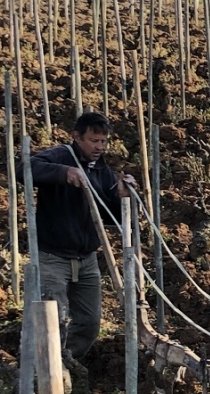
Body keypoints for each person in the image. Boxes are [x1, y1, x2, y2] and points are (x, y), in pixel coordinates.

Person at [30, 112, 137, 372]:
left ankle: (65, 363)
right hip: (52, 257)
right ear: (76, 137)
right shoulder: (57, 157)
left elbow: (110, 215)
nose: (99, 147)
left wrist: (124, 196)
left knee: (89, 323)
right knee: (53, 321)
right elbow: (25, 168)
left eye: (103, 141)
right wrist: (64, 173)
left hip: (87, 258)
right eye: (93, 140)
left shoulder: (103, 171)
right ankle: (45, 374)